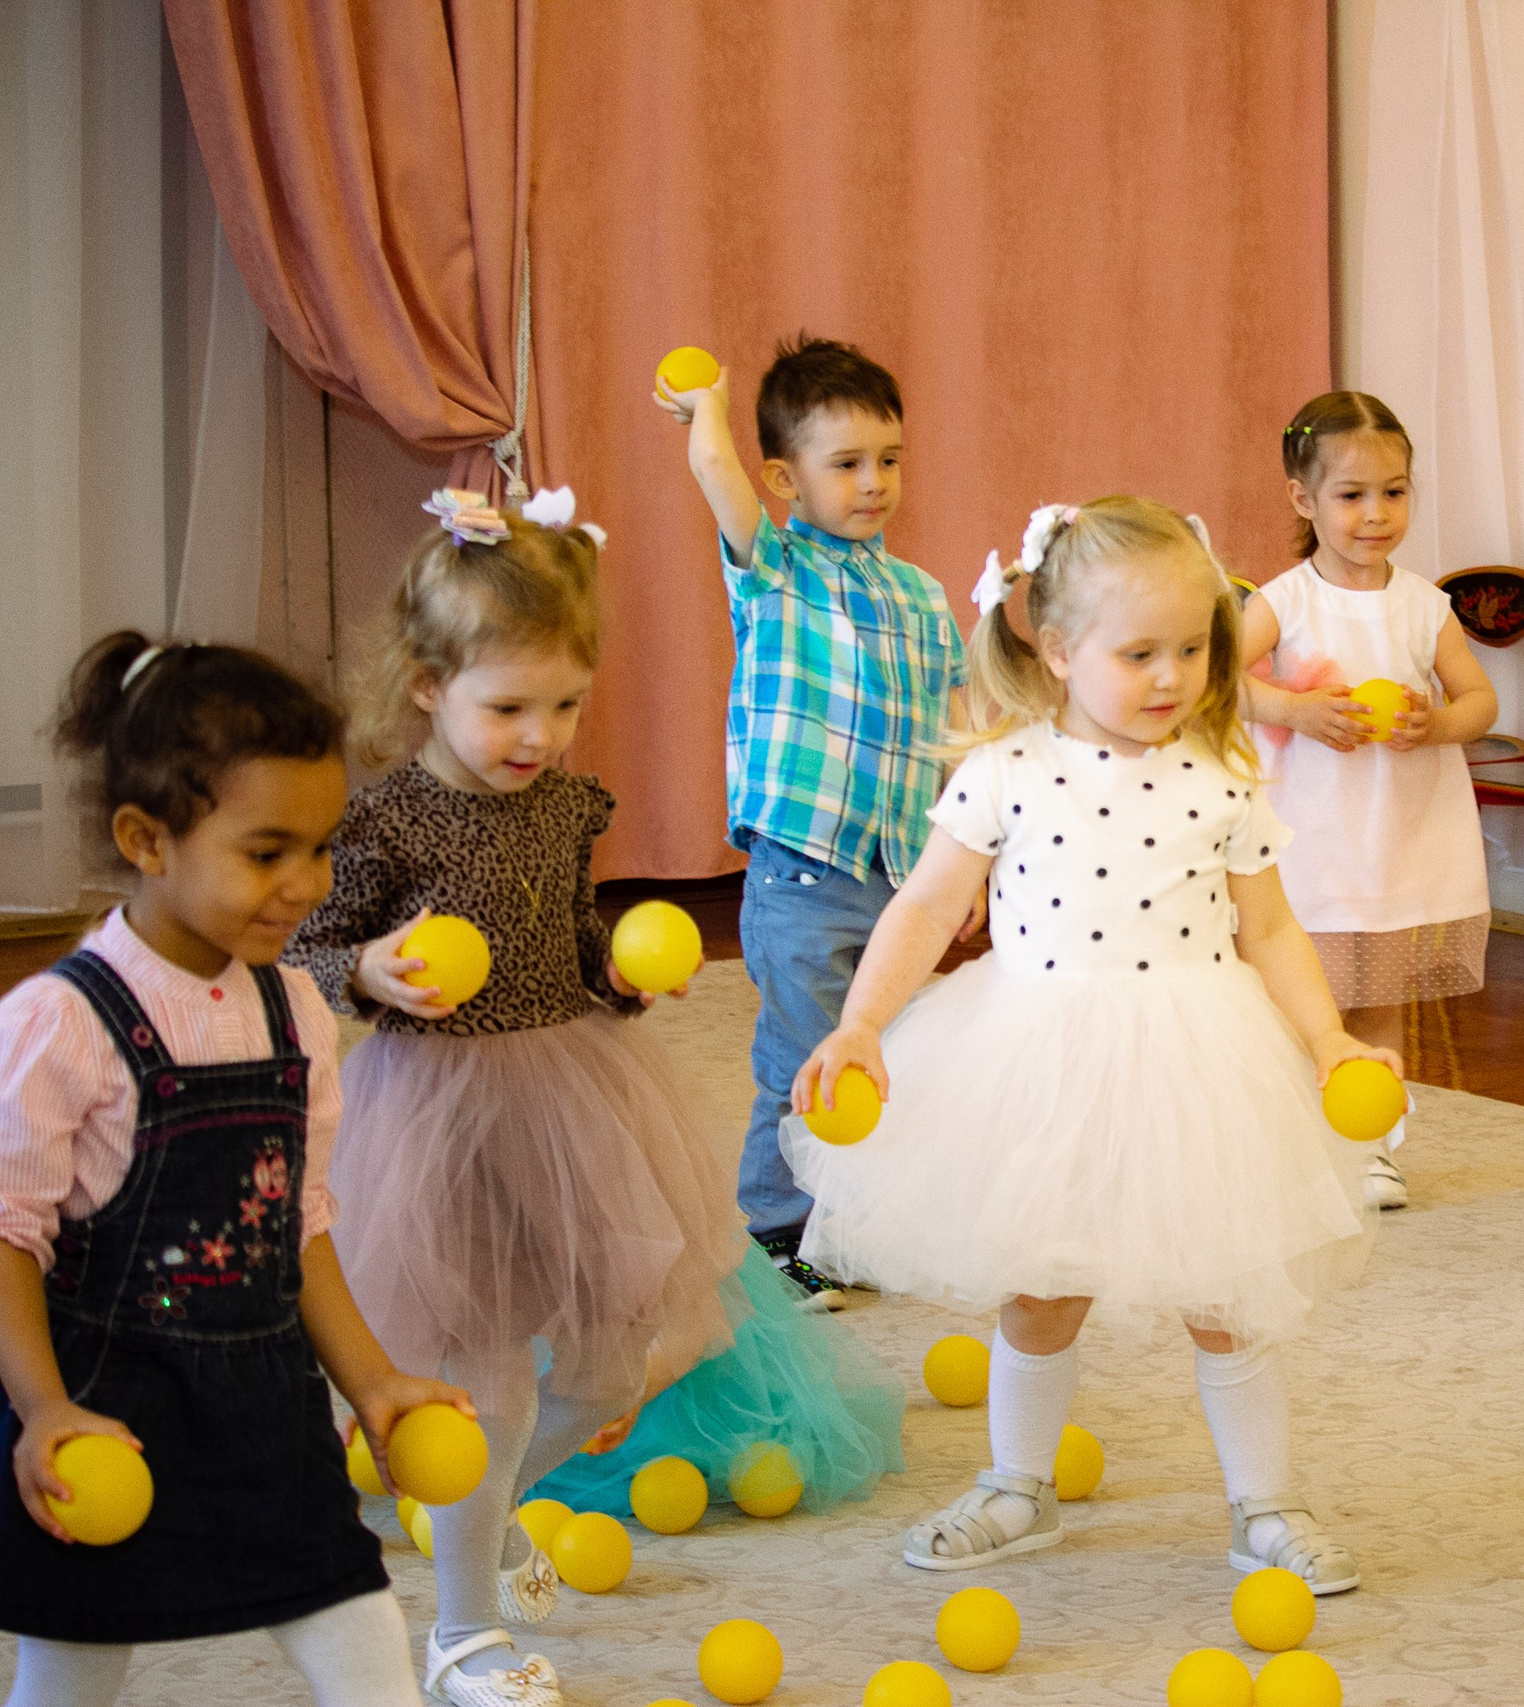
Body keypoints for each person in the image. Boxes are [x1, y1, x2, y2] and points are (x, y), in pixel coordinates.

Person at [288, 489, 892, 1707]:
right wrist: (366, 969)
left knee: (618, 1371)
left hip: (569, 1090)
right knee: (485, 1367)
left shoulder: (568, 808)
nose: (541, 735)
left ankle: (477, 1510)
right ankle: (463, 1632)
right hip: (435, 1110)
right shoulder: (388, 814)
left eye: (564, 703)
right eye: (507, 706)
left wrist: (612, 970)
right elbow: (308, 946)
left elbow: (564, 940)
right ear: (424, 685)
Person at [785, 498, 1384, 1593]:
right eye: (1139, 653)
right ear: (1057, 651)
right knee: (1041, 1286)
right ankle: (1020, 1486)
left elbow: (1272, 927)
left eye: (1193, 650)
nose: (1171, 677)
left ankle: (1265, 1502)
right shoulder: (1005, 772)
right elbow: (923, 909)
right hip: (1040, 1055)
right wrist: (863, 1022)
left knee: (1226, 1292)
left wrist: (1329, 1036)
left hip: (1199, 1057)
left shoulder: (1224, 778)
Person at [0, 634, 471, 1706]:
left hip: (264, 1413)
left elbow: (295, 1222)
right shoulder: (56, 1025)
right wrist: (41, 1411)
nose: (306, 883)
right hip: (103, 1408)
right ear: (145, 839)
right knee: (68, 1674)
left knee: (365, 1644)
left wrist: (375, 1381)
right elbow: (6, 1233)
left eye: (320, 848)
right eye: (267, 852)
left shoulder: (295, 1008)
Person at [658, 337, 966, 1301]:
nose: (874, 483)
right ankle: (776, 1230)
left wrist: (966, 866)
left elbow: (959, 728)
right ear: (787, 480)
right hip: (803, 866)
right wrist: (704, 401)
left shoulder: (922, 593)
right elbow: (714, 462)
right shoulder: (776, 568)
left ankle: (861, 1221)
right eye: (846, 464)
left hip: (902, 873)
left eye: (889, 459)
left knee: (889, 1049)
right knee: (801, 1051)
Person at [1238, 391, 1498, 1207]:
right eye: (1352, 496)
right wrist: (1293, 708)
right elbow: (1222, 682)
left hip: (1395, 839)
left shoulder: (1425, 605)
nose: (1375, 514)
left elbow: (1480, 702)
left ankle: (1374, 1145)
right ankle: (1288, 1144)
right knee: (1298, 999)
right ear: (1302, 499)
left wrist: (1435, 723)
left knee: (1382, 997)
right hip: (1308, 838)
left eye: (1394, 491)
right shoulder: (1285, 601)